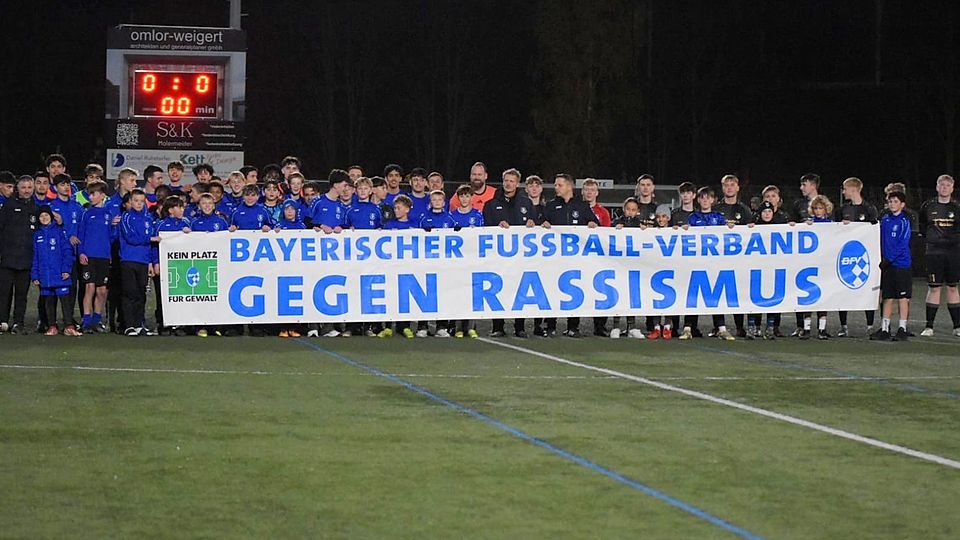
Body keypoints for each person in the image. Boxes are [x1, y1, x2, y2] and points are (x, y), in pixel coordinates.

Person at [541, 173, 598, 337]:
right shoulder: (551, 205)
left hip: (575, 258)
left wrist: (593, 224)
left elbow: (596, 225)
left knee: (574, 290)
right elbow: (541, 225)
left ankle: (573, 326)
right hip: (554, 258)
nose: (556, 187)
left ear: (569, 186)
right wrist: (542, 225)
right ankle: (550, 326)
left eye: (559, 185)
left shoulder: (582, 206)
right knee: (552, 289)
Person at [483, 168, 537, 338]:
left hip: (521, 256)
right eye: (506, 180)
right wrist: (497, 226)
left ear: (517, 183)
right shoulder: (491, 204)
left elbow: (535, 223)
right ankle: (497, 326)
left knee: (520, 289)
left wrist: (532, 222)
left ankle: (519, 326)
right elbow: (485, 229)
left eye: (512, 181)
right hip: (498, 257)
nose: (508, 184)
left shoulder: (526, 203)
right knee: (497, 289)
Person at [681, 186, 735, 341]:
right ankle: (688, 327)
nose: (705, 200)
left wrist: (730, 230)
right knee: (693, 294)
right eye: (702, 197)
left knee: (715, 294)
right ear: (698, 200)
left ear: (713, 200)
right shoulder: (692, 217)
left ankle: (721, 328)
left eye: (708, 197)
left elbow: (727, 237)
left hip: (714, 263)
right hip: (696, 263)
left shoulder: (719, 218)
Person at [835, 177, 880, 337]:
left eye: (845, 188)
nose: (843, 191)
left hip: (863, 257)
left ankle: (869, 325)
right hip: (845, 256)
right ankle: (843, 326)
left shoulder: (869, 209)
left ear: (853, 189)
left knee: (867, 289)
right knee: (843, 288)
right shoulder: (842, 209)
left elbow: (874, 230)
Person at [919, 174, 960, 337]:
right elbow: (923, 226)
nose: (944, 188)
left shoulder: (957, 207)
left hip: (953, 253)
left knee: (952, 287)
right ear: (937, 187)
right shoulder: (927, 206)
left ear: (952, 188)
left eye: (948, 185)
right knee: (934, 288)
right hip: (933, 252)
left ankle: (957, 327)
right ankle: (929, 327)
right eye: (941, 185)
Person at [715, 174, 754, 337]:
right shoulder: (716, 209)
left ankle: (739, 326)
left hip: (738, 259)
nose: (729, 187)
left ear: (738, 188)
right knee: (717, 292)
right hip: (717, 258)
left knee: (737, 292)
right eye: (726, 185)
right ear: (722, 188)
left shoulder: (744, 210)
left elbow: (751, 234)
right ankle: (719, 327)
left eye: (732, 185)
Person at [871, 191, 913, 341]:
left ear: (902, 204)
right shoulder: (885, 220)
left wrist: (889, 259)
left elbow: (903, 243)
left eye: (895, 201)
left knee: (902, 297)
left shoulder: (904, 221)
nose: (892, 204)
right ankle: (885, 328)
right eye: (890, 201)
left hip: (901, 265)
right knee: (887, 297)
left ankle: (902, 328)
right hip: (887, 265)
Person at [0, 175, 39, 334]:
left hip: (26, 259)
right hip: (7, 258)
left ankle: (18, 322)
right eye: (23, 187)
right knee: (4, 292)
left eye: (29, 187)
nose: (27, 190)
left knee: (22, 294)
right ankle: (2, 321)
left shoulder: (36, 208)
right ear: (18, 188)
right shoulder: (8, 206)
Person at [32, 206, 79, 336]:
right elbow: (35, 257)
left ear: (51, 217)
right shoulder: (37, 235)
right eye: (41, 216)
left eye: (46, 215)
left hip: (59, 274)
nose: (44, 218)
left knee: (65, 301)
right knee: (49, 301)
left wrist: (66, 269)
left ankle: (69, 325)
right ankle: (52, 326)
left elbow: (67, 252)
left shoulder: (60, 232)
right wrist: (35, 275)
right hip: (45, 275)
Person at [78, 181, 117, 334]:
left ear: (102, 195)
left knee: (101, 291)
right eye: (90, 194)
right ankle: (86, 321)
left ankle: (97, 319)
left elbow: (111, 237)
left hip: (103, 257)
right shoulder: (86, 213)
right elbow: (81, 234)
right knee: (90, 288)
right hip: (89, 256)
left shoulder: (108, 214)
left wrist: (114, 227)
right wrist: (81, 252)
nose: (91, 197)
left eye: (93, 194)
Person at [48, 173, 84, 332]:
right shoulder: (50, 207)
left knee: (72, 289)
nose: (66, 187)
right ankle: (50, 322)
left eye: (68, 184)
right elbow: (48, 231)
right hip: (56, 256)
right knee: (53, 289)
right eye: (62, 184)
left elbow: (83, 232)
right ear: (55, 188)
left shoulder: (77, 207)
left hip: (73, 255)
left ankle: (68, 321)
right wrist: (66, 234)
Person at [151, 196, 191, 335]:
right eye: (179, 207)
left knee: (181, 294)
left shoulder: (186, 223)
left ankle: (179, 324)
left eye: (182, 207)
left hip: (181, 265)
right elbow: (155, 246)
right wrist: (156, 263)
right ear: (170, 210)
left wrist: (190, 235)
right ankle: (163, 323)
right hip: (164, 265)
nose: (182, 209)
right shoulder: (161, 224)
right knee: (162, 296)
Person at [380, 195, 418, 338]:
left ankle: (404, 326)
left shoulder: (414, 226)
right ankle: (388, 326)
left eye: (399, 208)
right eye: (395, 208)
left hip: (408, 267)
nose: (396, 210)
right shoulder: (389, 225)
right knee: (390, 294)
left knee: (404, 297)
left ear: (407, 209)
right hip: (391, 266)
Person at [119, 189, 156, 336]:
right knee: (130, 292)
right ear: (131, 202)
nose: (139, 204)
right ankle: (128, 325)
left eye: (141, 201)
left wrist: (150, 262)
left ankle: (139, 324)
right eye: (136, 201)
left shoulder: (149, 219)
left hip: (143, 260)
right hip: (128, 260)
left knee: (141, 293)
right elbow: (131, 238)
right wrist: (149, 239)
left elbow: (149, 239)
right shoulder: (126, 217)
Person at [798, 195, 834, 340]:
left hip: (825, 265)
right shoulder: (808, 224)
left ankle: (822, 329)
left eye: (820, 208)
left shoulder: (831, 224)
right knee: (809, 296)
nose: (818, 211)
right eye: (815, 208)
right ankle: (806, 328)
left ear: (826, 209)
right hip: (810, 265)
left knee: (823, 298)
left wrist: (846, 226)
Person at [610, 197, 646, 339]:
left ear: (637, 212)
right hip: (618, 265)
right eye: (628, 209)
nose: (630, 212)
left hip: (634, 266)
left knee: (632, 296)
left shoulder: (639, 225)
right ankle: (616, 326)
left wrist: (644, 231)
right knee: (618, 294)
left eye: (633, 210)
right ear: (624, 209)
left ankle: (632, 326)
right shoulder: (617, 222)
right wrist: (615, 229)